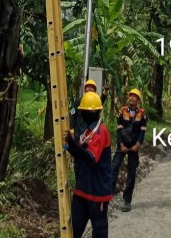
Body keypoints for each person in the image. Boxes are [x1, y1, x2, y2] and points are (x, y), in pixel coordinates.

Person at [64, 91, 112, 238]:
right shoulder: (88, 131)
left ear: (92, 112)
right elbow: (80, 154)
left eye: (83, 111)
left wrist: (71, 143)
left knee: (99, 231)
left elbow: (90, 158)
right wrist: (68, 145)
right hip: (83, 190)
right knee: (74, 229)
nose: (81, 114)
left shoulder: (100, 132)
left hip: (97, 193)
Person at [111, 87, 147, 212]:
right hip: (122, 145)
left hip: (134, 146)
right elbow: (119, 129)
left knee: (131, 172)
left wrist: (138, 144)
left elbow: (142, 131)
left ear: (138, 100)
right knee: (114, 167)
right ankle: (109, 194)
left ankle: (127, 201)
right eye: (130, 95)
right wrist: (121, 144)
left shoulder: (142, 113)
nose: (132, 98)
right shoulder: (122, 111)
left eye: (134, 96)